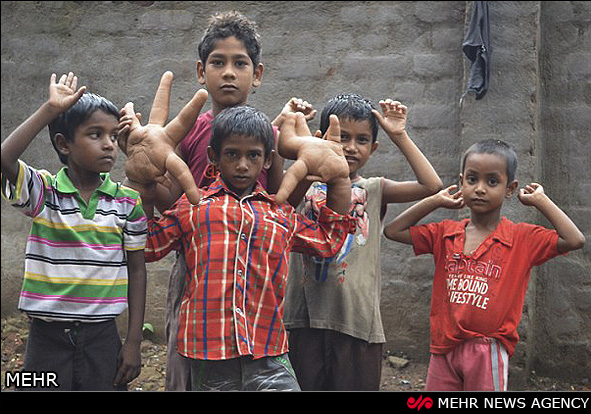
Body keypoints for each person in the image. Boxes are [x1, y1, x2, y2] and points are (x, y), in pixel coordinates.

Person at [118, 11, 315, 390]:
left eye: (239, 63)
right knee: (189, 366)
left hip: (254, 278)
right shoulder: (186, 133)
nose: (228, 72)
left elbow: (280, 201)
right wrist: (142, 174)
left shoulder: (269, 135)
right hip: (199, 271)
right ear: (200, 71)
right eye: (218, 62)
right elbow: (173, 201)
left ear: (256, 74)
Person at [125, 104, 355, 390]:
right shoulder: (194, 207)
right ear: (214, 157)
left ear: (268, 160)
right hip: (209, 356)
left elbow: (329, 242)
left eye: (253, 155)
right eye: (232, 154)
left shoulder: (279, 214)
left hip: (269, 353)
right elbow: (146, 245)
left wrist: (340, 181)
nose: (243, 165)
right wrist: (140, 184)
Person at [383, 139, 585, 391]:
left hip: (487, 349)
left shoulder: (522, 238)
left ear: (510, 189)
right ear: (461, 182)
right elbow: (393, 230)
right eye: (471, 179)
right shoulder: (445, 233)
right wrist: (435, 200)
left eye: (492, 182)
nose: (479, 189)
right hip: (443, 347)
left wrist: (541, 201)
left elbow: (574, 239)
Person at [284, 93, 443, 390]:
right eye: (342, 137)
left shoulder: (373, 189)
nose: (350, 147)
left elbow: (431, 185)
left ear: (373, 147)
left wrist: (400, 135)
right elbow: (277, 203)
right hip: (303, 318)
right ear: (322, 138)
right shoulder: (302, 184)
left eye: (361, 140)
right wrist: (308, 155)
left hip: (356, 322)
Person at [0, 72, 147, 391]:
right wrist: (49, 110)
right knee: (30, 385)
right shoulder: (44, 193)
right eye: (96, 134)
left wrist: (133, 341)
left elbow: (137, 269)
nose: (109, 144)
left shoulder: (128, 203)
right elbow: (4, 158)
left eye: (113, 136)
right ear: (63, 144)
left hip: (104, 337)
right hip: (44, 339)